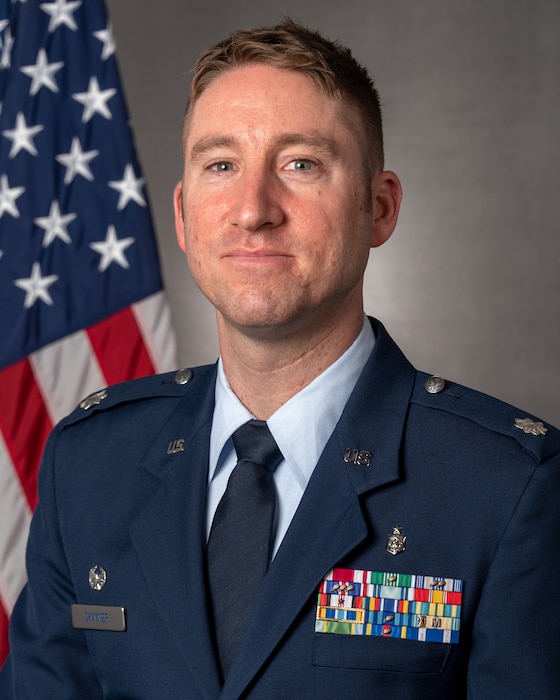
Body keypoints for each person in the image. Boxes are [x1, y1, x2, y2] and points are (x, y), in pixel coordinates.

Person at [1, 18, 559, 699]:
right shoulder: (90, 466)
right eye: (221, 165)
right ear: (183, 217)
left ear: (379, 209)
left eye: (301, 163)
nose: (253, 209)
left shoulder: (507, 487)